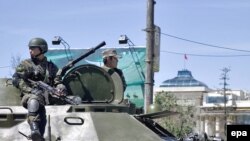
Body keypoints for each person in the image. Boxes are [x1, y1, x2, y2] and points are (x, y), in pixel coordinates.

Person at [12, 37, 66, 141]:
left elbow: (58, 81)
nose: (30, 50)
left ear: (41, 49)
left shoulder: (51, 67)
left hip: (47, 96)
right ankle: (34, 130)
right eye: (29, 48)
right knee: (34, 100)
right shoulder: (25, 64)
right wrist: (30, 90)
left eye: (33, 48)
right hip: (29, 96)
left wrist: (60, 89)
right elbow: (16, 79)